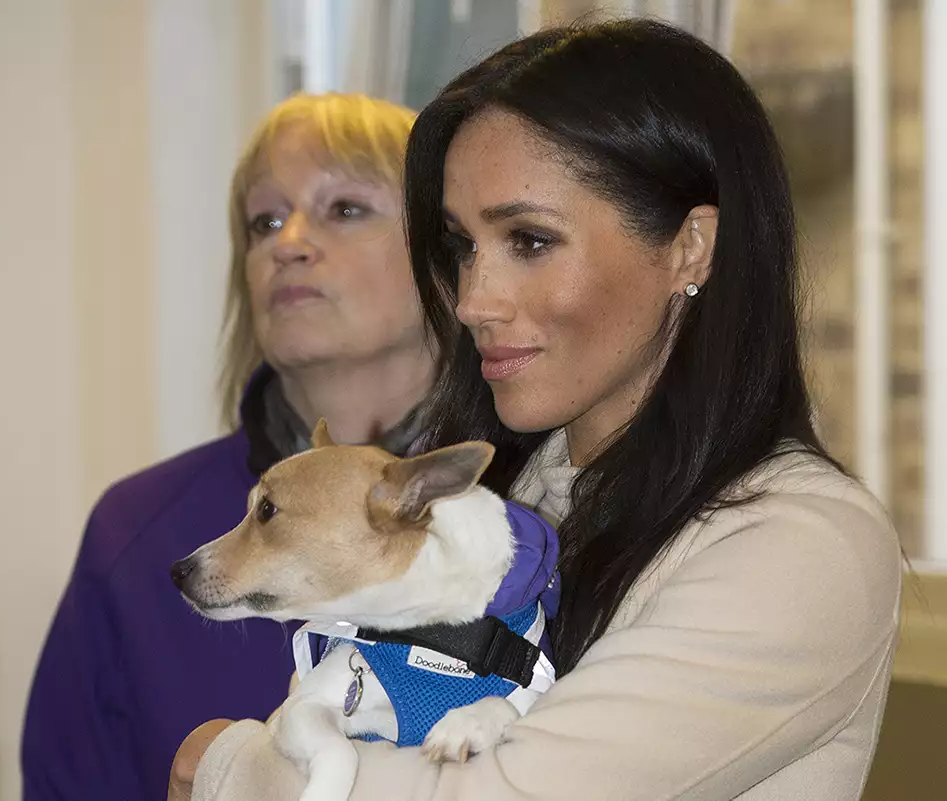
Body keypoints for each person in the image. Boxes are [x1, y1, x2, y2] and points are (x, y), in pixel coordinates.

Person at [170, 19, 902, 801]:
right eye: (463, 245)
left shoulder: (802, 542)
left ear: (691, 247)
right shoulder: (496, 508)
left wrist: (226, 769)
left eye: (529, 240)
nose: (475, 300)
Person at [22, 92, 434, 800]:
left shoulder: (538, 506)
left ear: (445, 254)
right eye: (264, 220)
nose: (289, 241)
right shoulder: (136, 530)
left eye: (345, 208)